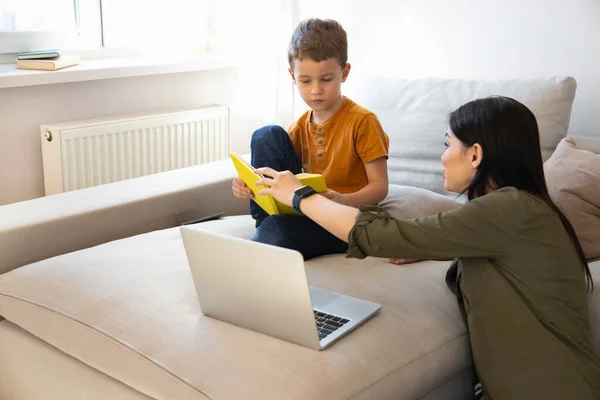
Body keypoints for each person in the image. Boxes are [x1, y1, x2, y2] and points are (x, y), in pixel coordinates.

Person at [254, 96, 600, 399]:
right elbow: (504, 256)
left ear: (475, 154)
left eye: (448, 145)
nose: (443, 156)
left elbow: (381, 235)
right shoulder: (514, 214)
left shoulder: (511, 209)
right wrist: (438, 244)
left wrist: (301, 197)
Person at [231, 18, 389, 260]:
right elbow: (283, 176)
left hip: (344, 221)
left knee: (277, 231)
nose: (316, 90)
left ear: (344, 73)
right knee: (267, 134)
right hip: (306, 211)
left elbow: (380, 187)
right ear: (293, 76)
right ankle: (265, 224)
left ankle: (263, 241)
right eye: (305, 81)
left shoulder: (363, 122)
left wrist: (341, 199)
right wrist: (248, 185)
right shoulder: (297, 129)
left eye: (326, 79)